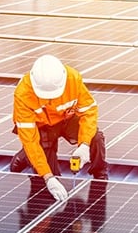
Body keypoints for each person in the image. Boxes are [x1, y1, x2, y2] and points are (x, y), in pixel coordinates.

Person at [10, 54, 108, 201]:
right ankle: (28, 155)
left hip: (65, 119)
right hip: (41, 128)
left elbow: (89, 112)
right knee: (48, 181)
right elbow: (30, 139)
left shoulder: (73, 79)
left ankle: (100, 174)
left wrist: (85, 144)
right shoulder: (23, 94)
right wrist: (48, 177)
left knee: (95, 137)